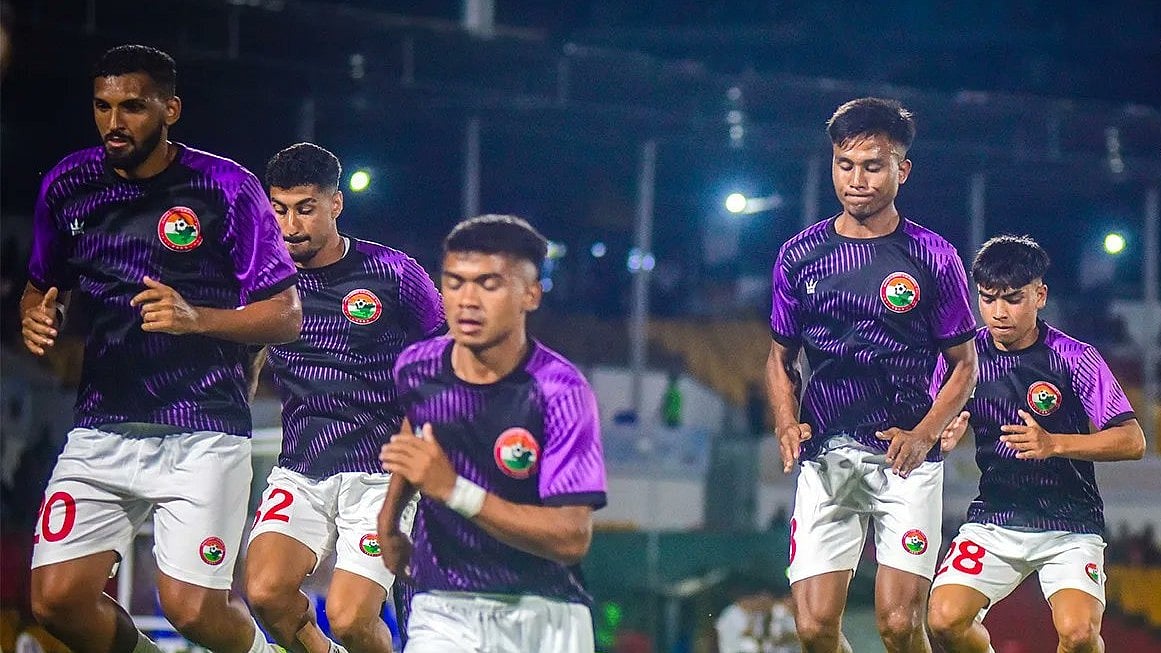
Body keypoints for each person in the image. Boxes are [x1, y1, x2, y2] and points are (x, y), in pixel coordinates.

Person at [22, 45, 301, 653]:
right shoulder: (69, 184)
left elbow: (285, 317)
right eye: (102, 106)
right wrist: (38, 317)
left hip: (202, 429)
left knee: (194, 610)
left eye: (132, 107)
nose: (114, 123)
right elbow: (43, 286)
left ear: (170, 109)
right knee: (54, 600)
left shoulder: (226, 188)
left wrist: (197, 318)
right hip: (102, 425)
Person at [765, 97, 978, 653]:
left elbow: (964, 365)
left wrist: (926, 433)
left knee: (899, 626)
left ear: (901, 170)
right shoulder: (799, 255)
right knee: (812, 629)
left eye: (873, 165)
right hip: (825, 453)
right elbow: (778, 357)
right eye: (845, 164)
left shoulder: (934, 258)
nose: (857, 180)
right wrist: (787, 421)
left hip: (903, 455)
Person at [244, 142, 444, 653]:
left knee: (352, 618)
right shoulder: (264, 280)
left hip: (379, 476)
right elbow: (252, 349)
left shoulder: (394, 273)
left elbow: (449, 355)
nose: (291, 226)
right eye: (280, 209)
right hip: (301, 469)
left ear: (336, 204)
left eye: (305, 209)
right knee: (265, 593)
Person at [376, 214, 607, 653]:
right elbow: (417, 433)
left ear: (530, 294)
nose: (467, 300)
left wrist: (455, 490)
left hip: (546, 611)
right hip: (443, 603)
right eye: (455, 281)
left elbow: (571, 537)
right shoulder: (416, 368)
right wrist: (389, 522)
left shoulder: (561, 392)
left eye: (489, 284)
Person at [927, 235, 1145, 653]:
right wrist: (940, 435)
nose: (999, 312)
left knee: (1079, 635)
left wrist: (1055, 443)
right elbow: (929, 422)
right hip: (996, 517)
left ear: (1040, 295)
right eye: (988, 299)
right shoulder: (964, 357)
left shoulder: (1075, 357)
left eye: (1012, 299)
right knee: (943, 621)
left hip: (1070, 522)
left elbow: (1132, 440)